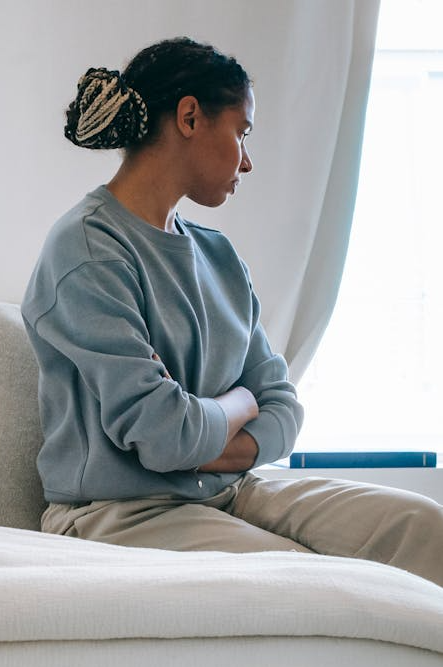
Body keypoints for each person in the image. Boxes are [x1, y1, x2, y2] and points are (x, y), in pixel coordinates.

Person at [22, 36, 443, 589]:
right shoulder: (87, 249)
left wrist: (208, 434)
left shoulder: (217, 255)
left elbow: (282, 406)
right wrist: (239, 401)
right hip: (119, 514)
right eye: (242, 132)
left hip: (228, 490)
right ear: (191, 117)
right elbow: (164, 434)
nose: (248, 159)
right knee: (313, 581)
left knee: (423, 528)